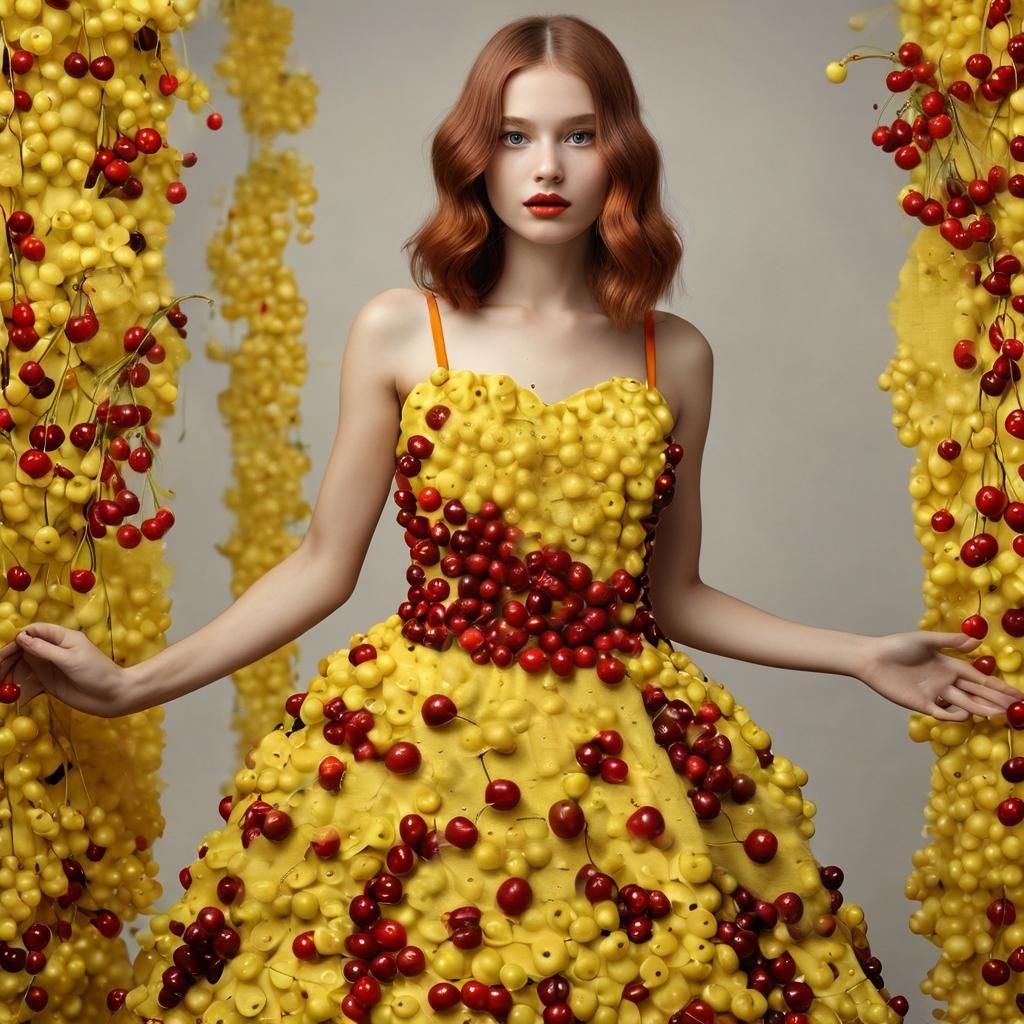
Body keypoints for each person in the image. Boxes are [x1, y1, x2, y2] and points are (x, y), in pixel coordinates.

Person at [0, 14, 1018, 1024]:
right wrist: (132, 687)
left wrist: (863, 653)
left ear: (619, 153)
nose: (548, 166)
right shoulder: (403, 328)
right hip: (418, 753)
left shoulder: (678, 354)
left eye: (579, 135)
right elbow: (323, 563)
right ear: (473, 158)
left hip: (627, 774)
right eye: (516, 136)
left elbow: (674, 595)